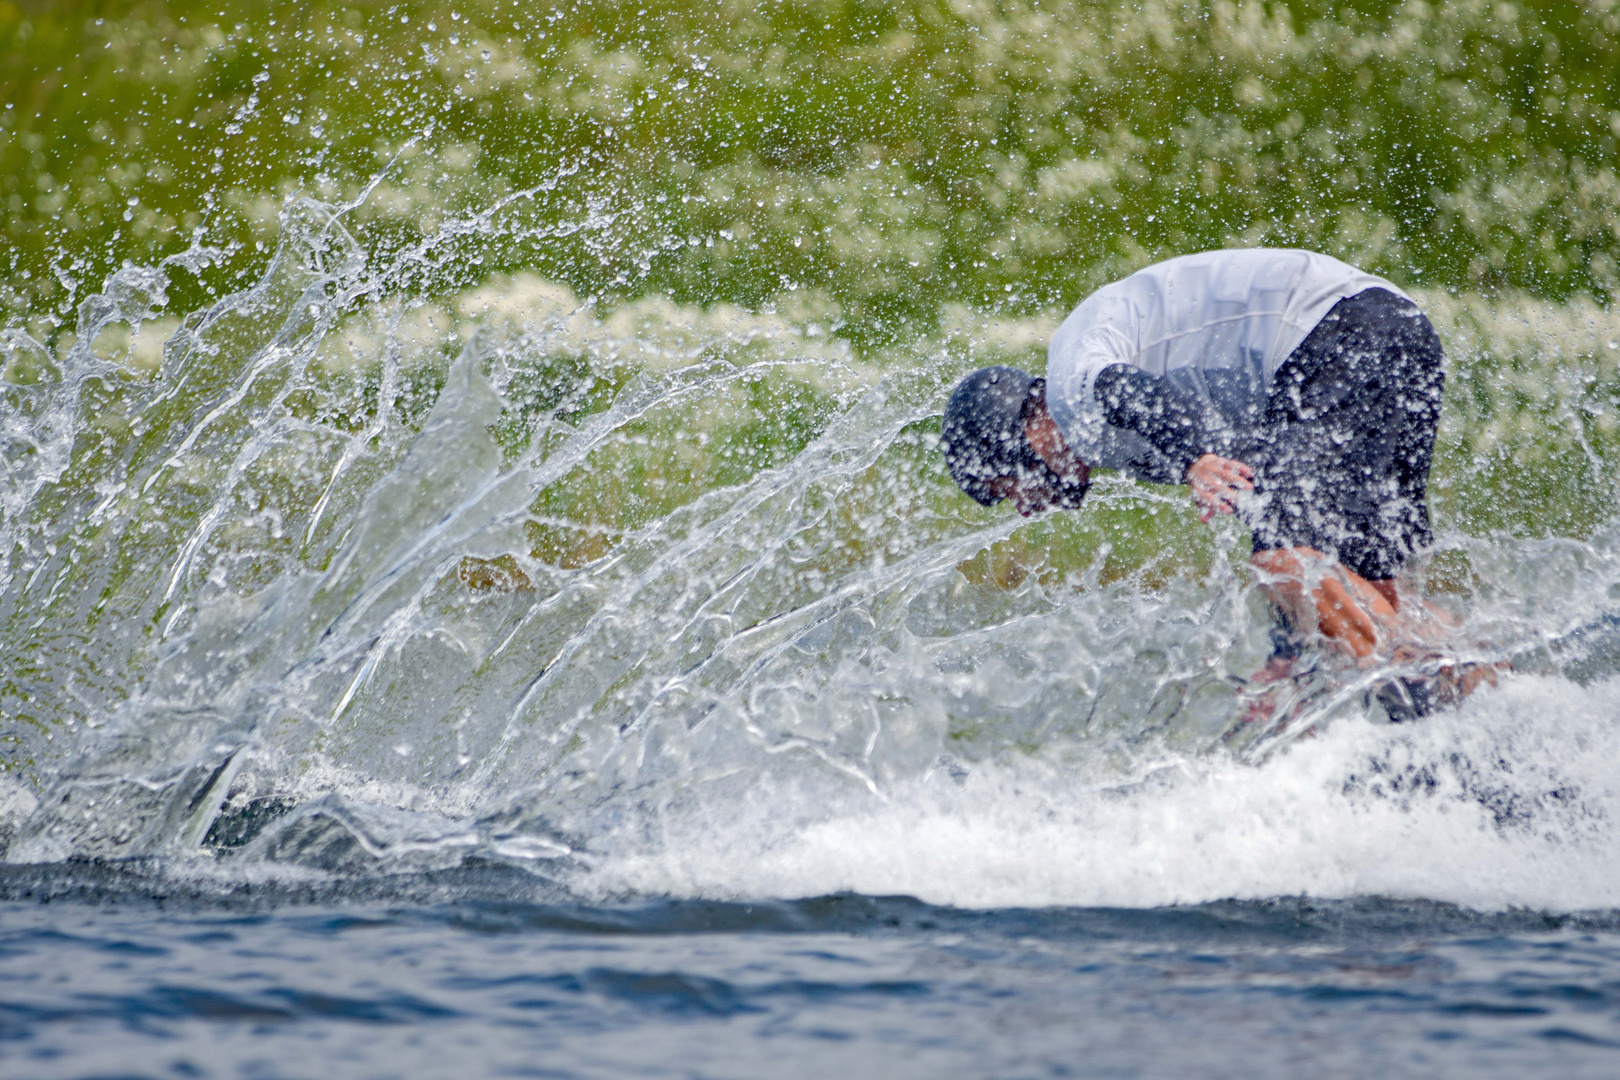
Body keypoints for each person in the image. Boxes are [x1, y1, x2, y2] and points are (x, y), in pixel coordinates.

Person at [940, 247, 1448, 666]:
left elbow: (1124, 388)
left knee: (1285, 563)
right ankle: (1487, 688)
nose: (1026, 507)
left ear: (1019, 438)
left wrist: (1193, 460)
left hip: (1338, 333)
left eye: (1006, 488)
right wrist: (1285, 655)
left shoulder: (1071, 391)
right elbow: (1275, 502)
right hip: (1391, 329)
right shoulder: (1130, 432)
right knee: (1376, 587)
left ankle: (1429, 711)